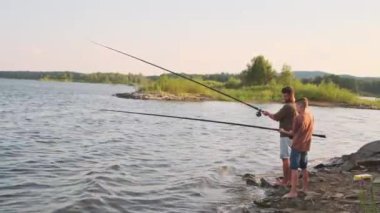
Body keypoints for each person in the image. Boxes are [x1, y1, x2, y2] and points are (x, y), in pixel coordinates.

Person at [280, 97, 314, 198]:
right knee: (304, 167)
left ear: (300, 105)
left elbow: (292, 133)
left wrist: (283, 131)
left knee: (294, 168)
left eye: (296, 105)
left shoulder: (298, 118)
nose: (295, 107)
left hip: (297, 146)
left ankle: (293, 192)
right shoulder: (311, 115)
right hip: (306, 146)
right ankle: (305, 188)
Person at [262, 86, 297, 186]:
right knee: (290, 159)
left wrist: (268, 114)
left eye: (285, 95)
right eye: (283, 95)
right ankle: (289, 180)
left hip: (285, 136)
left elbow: (276, 117)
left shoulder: (287, 107)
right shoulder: (295, 106)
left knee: (285, 159)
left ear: (290, 95)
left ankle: (285, 181)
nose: (284, 97)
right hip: (293, 135)